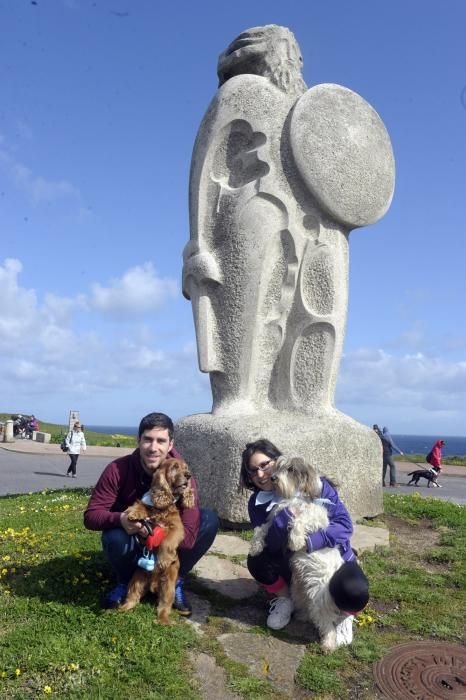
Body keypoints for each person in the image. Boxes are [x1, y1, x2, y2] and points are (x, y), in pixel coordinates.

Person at [84, 411, 219, 615]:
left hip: (169, 545)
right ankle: (124, 581)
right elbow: (91, 516)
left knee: (208, 519)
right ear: (138, 440)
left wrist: (157, 535)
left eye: (161, 441)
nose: (154, 447)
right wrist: (119, 519)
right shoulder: (117, 470)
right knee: (114, 536)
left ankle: (175, 580)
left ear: (170, 444)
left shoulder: (183, 474)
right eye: (148, 439)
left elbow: (189, 539)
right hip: (132, 539)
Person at [240, 439, 369, 632]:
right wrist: (284, 518)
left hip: (332, 557)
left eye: (265, 465)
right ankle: (285, 601)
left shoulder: (318, 487)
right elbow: (272, 546)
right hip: (291, 561)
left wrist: (310, 541)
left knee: (354, 591)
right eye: (253, 470)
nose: (260, 474)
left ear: (278, 461)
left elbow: (344, 525)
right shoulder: (258, 502)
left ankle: (342, 616)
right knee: (256, 559)